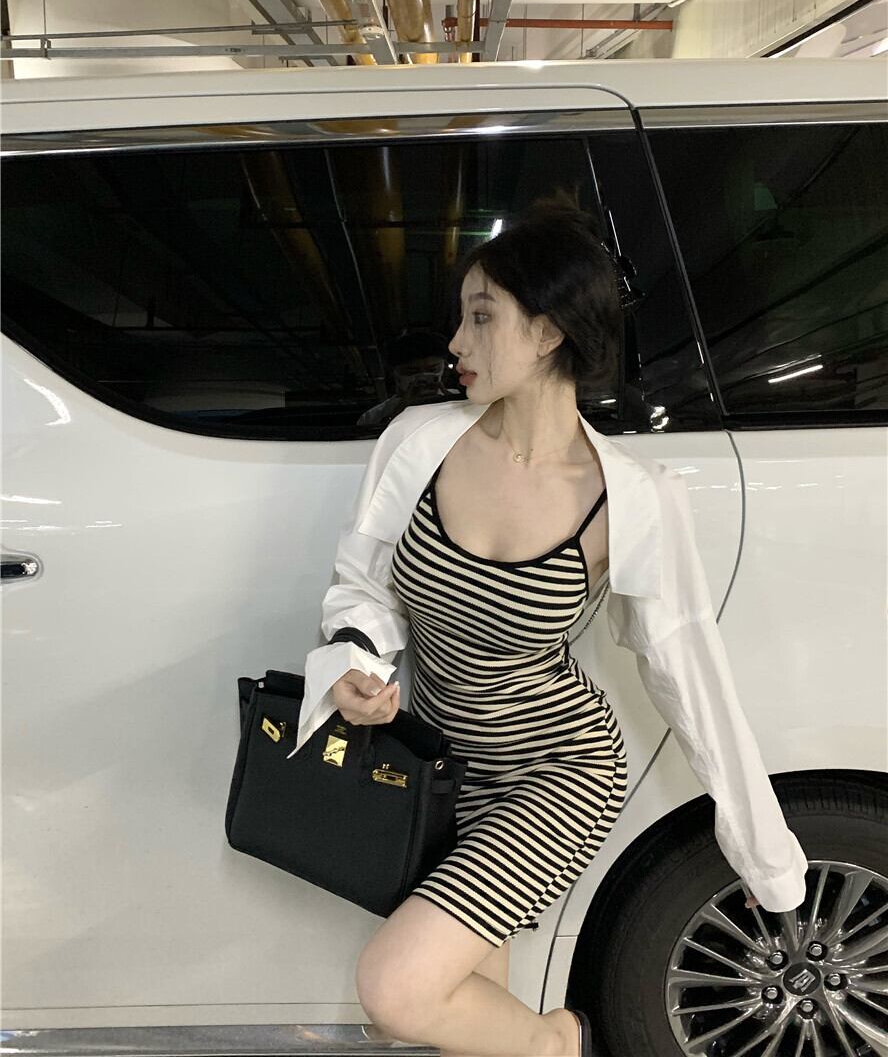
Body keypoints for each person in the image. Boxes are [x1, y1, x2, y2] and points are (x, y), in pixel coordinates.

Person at [301, 198, 808, 1057]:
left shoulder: (631, 500)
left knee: (398, 990)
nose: (455, 342)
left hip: (556, 770)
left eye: (481, 318)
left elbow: (689, 674)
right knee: (465, 1021)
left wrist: (766, 859)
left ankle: (560, 1044)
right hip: (444, 766)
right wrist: (361, 662)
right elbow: (363, 586)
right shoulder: (418, 444)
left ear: (547, 332)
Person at [356, 330, 459, 427]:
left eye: (433, 370)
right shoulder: (373, 416)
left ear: (444, 368)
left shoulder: (460, 400)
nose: (422, 377)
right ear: (394, 373)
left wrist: (454, 404)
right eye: (411, 372)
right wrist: (399, 411)